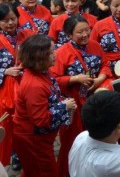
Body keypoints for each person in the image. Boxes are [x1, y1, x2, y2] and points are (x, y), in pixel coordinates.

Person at [50, 15, 110, 176]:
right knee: (72, 141)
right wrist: (75, 79)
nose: (85, 35)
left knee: (97, 137)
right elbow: (54, 79)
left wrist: (101, 78)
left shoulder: (96, 46)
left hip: (94, 99)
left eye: (87, 30)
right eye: (79, 32)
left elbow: (105, 64)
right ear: (69, 35)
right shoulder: (61, 53)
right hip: (73, 103)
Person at [13, 34, 76, 176]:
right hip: (33, 140)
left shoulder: (41, 72)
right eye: (51, 52)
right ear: (39, 57)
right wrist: (64, 106)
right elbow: (40, 120)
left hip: (39, 139)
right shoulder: (33, 84)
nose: (56, 54)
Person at [0, 3, 34, 166]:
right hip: (4, 88)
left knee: (25, 120)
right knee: (9, 121)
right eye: (5, 21)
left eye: (13, 19)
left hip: (27, 83)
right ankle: (10, 155)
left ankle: (22, 153)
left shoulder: (27, 35)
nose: (10, 23)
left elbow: (38, 56)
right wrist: (4, 72)